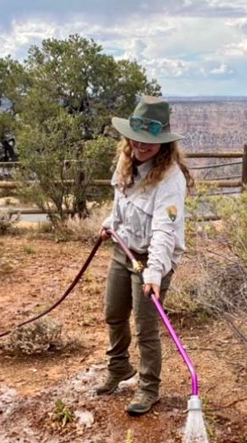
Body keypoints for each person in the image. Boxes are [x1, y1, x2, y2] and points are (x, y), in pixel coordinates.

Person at [95, 95, 194, 416]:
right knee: (113, 312)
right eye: (136, 139)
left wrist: (154, 273)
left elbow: (165, 231)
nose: (140, 145)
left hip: (155, 259)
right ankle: (120, 367)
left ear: (163, 144)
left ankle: (149, 388)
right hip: (123, 249)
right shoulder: (125, 162)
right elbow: (120, 203)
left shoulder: (170, 179)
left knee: (145, 327)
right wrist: (111, 224)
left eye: (149, 142)